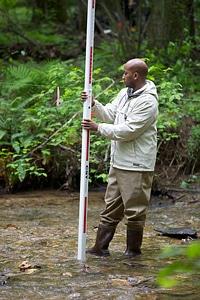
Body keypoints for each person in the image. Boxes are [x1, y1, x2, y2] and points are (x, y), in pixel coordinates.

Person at [81, 58, 158, 258]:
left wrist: (98, 128)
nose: (122, 76)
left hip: (137, 165)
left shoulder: (148, 101)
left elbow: (129, 130)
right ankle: (100, 248)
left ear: (135, 75)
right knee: (111, 206)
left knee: (135, 210)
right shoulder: (125, 93)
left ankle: (133, 253)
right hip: (119, 161)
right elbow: (111, 114)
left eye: (125, 73)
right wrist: (93, 104)